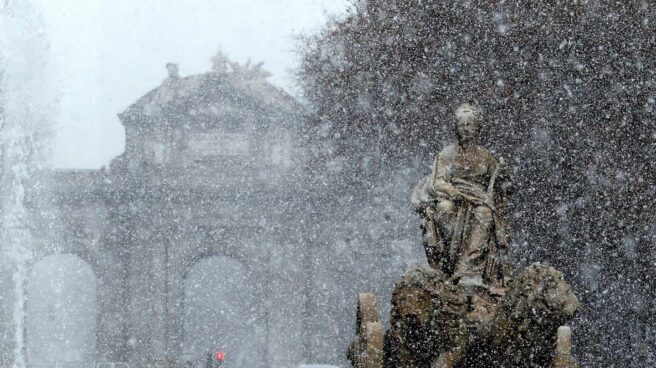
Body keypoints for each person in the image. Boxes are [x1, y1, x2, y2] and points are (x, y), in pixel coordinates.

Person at [412, 104, 513, 285]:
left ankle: (468, 269)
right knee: (444, 209)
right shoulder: (446, 154)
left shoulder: (485, 156)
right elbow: (438, 181)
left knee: (484, 214)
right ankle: (448, 264)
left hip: (478, 199)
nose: (466, 129)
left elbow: (502, 184)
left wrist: (503, 175)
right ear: (456, 128)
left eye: (470, 125)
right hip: (454, 196)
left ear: (477, 127)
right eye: (462, 125)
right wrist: (452, 192)